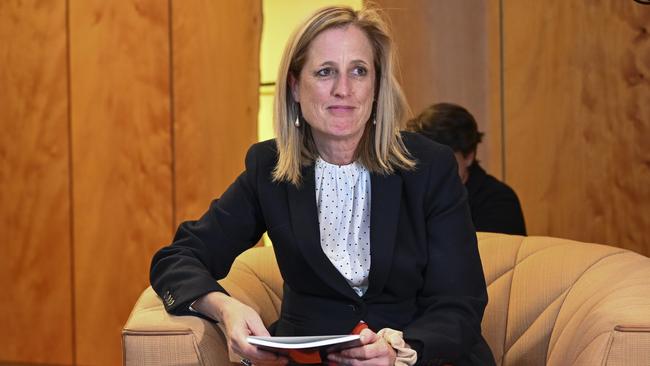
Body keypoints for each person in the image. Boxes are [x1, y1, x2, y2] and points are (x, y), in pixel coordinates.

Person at [150, 6, 495, 366]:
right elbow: (177, 258)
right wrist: (225, 308)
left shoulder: (429, 166)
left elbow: (460, 302)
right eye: (326, 72)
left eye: (359, 71)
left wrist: (401, 352)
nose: (343, 89)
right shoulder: (268, 168)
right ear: (296, 86)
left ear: (376, 86)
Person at [408, 103, 527, 236]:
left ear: (469, 156)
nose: (431, 167)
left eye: (442, 159)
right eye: (425, 158)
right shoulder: (413, 196)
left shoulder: (498, 200)